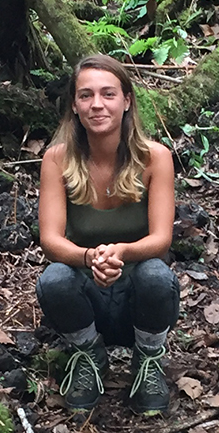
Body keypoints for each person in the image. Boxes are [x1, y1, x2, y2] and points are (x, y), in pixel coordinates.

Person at [36, 54, 179, 414]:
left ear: (127, 100)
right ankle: (88, 354)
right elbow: (51, 239)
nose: (97, 104)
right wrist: (88, 258)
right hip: (87, 303)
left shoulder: (156, 157)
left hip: (138, 303)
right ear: (74, 104)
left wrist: (118, 253)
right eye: (86, 95)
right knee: (53, 279)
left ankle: (148, 359)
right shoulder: (56, 159)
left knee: (157, 274)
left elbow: (161, 239)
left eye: (108, 94)